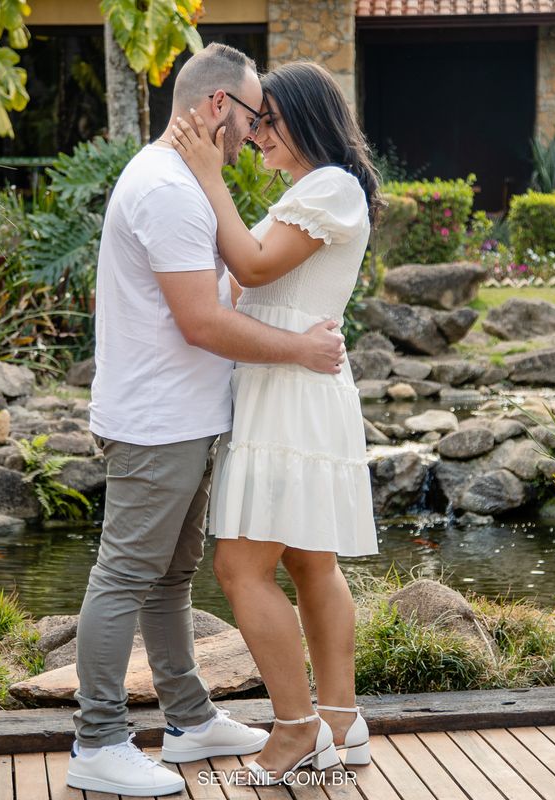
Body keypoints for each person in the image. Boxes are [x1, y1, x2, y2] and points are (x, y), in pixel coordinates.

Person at [67, 44, 347, 798]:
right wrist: (299, 349)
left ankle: (189, 718)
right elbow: (202, 321)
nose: (258, 134)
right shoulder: (166, 188)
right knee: (126, 574)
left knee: (170, 577)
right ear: (219, 108)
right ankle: (97, 741)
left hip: (183, 415)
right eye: (255, 116)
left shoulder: (185, 182)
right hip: (157, 419)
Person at [170, 60, 381, 785]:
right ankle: (341, 724)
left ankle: (295, 730)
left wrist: (209, 177)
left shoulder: (332, 186)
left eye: (269, 120)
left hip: (293, 390)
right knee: (306, 561)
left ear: (307, 119)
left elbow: (254, 270)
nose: (256, 134)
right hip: (286, 383)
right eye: (255, 121)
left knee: (240, 566)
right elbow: (233, 282)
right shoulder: (306, 192)